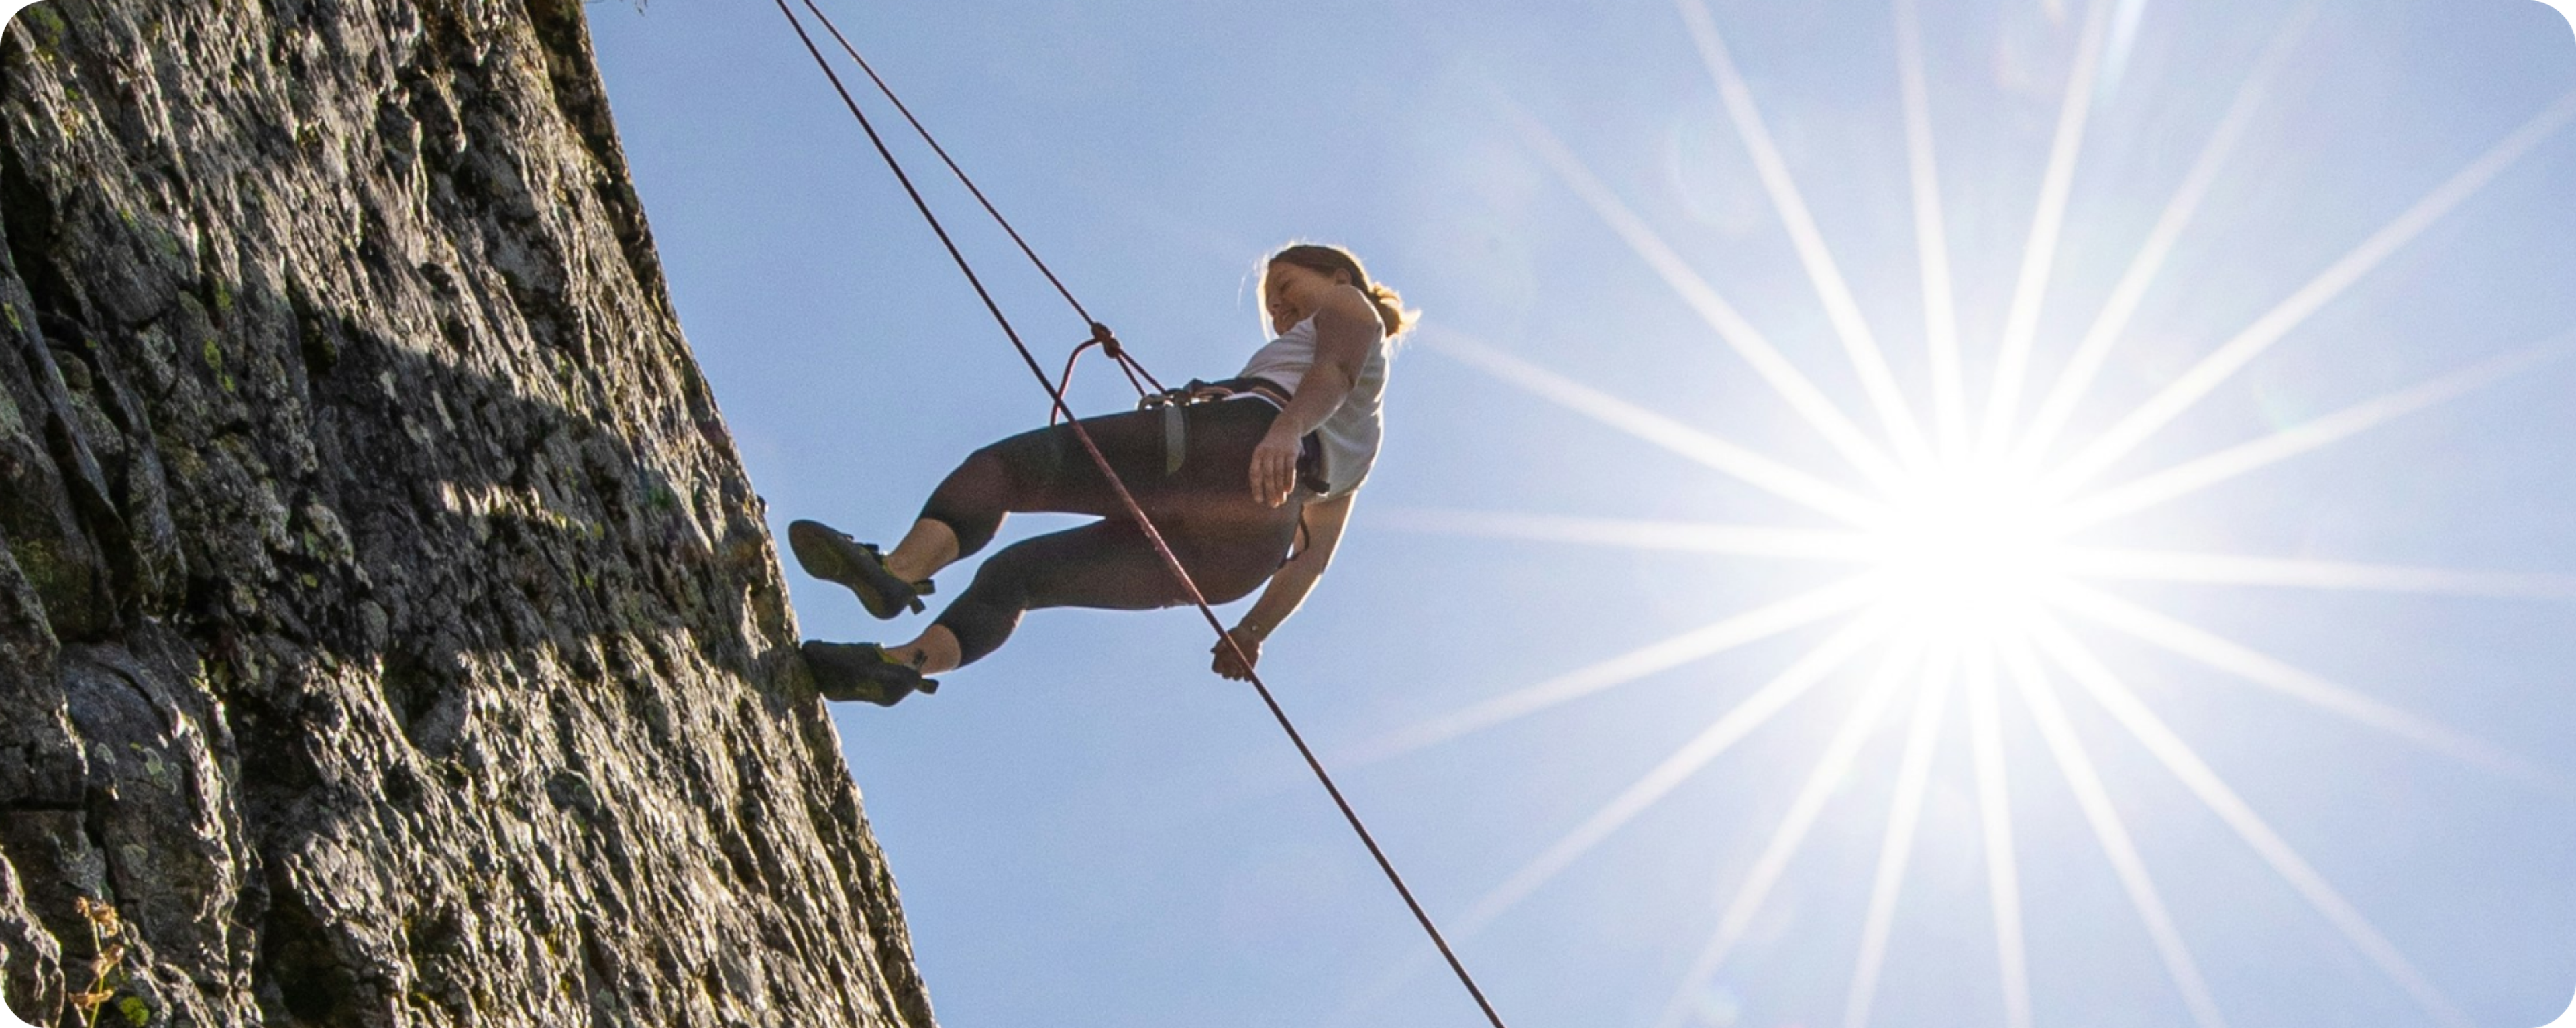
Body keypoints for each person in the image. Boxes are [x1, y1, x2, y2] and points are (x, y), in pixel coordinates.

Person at [791, 243, 1411, 705]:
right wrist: (1252, 630)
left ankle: (897, 570)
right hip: (1240, 555)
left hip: (1237, 448)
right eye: (1271, 304)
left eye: (1285, 285)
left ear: (1335, 276)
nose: (1278, 308)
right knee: (1019, 577)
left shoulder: (1346, 304)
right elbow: (1313, 556)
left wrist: (1281, 430)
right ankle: (903, 663)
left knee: (1006, 469)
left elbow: (1332, 372)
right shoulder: (1365, 442)